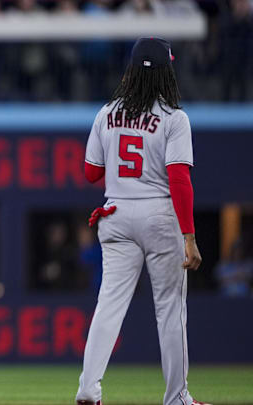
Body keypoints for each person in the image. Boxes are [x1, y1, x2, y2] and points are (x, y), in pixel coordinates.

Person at [76, 38, 210, 405]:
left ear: (131, 70)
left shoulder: (107, 112)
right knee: (169, 310)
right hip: (159, 215)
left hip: (116, 214)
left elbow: (90, 172)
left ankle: (88, 389)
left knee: (108, 305)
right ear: (168, 71)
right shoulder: (174, 117)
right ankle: (177, 397)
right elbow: (179, 178)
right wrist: (190, 235)